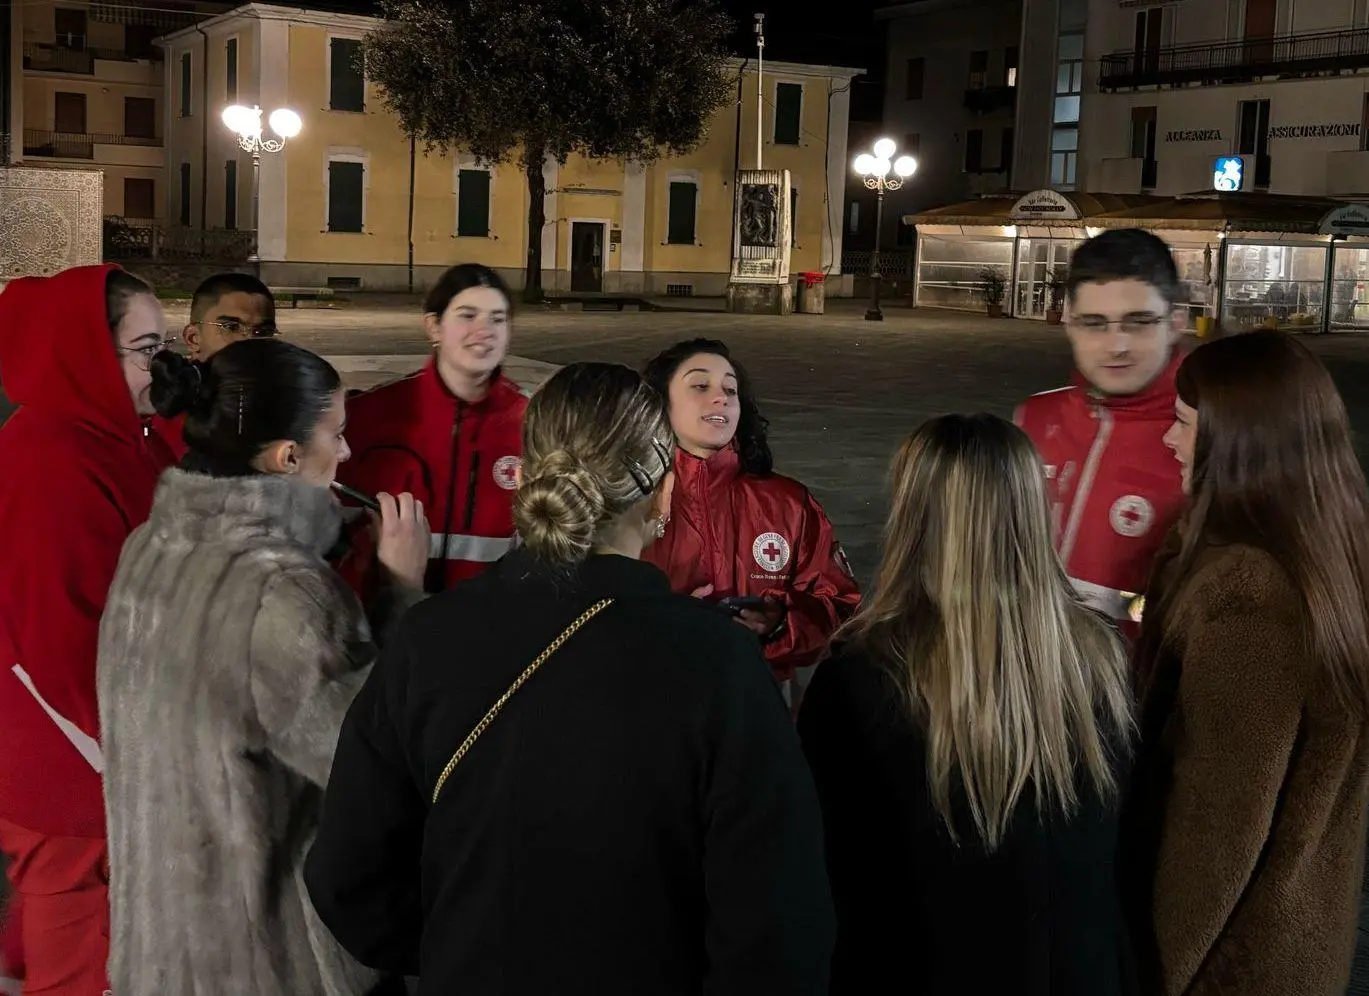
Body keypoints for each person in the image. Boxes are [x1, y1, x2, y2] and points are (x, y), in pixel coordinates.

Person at [305, 362, 835, 994]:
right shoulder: (718, 660)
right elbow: (779, 918)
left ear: (526, 478)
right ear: (665, 492)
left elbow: (346, 874)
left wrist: (463, 942)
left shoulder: (427, 639)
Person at [97, 340, 430, 995]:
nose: (347, 454)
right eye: (336, 434)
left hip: (161, 952)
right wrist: (401, 592)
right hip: (267, 964)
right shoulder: (285, 593)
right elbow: (377, 765)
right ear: (287, 457)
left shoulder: (150, 546)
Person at [798, 413, 1132, 995]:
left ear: (913, 515)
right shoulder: (1100, 659)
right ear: (1031, 512)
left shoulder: (860, 677)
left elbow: (825, 866)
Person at [1122, 331, 1369, 996]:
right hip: (1294, 941)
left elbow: (1217, 821)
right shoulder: (1332, 554)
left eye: (1181, 424)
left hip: (1226, 964)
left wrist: (1150, 972)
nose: (1169, 442)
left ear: (1239, 443)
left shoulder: (1247, 593)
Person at [0, 264, 176, 996]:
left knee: (61, 930)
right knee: (81, 955)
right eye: (146, 351)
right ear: (86, 353)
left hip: (97, 755)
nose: (160, 372)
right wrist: (139, 763)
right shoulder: (50, 457)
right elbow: (62, 646)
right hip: (75, 769)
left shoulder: (119, 437)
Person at [641, 338, 859, 706]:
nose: (720, 397)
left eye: (731, 389)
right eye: (700, 385)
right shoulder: (632, 500)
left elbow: (841, 608)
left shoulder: (789, 504)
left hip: (759, 704)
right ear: (661, 403)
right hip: (652, 703)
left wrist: (779, 624)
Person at [1014, 229, 1186, 637]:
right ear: (1068, 324)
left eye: (1139, 322)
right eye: (1094, 324)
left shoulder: (1212, 435)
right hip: (1024, 681)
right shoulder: (1033, 419)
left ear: (1176, 323)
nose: (1116, 345)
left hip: (1144, 689)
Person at [337, 263, 526, 598]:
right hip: (380, 627)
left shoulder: (533, 424)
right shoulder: (367, 415)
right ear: (433, 326)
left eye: (498, 319)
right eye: (468, 316)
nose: (485, 330)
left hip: (490, 631)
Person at [152, 271, 278, 460]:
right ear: (193, 338)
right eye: (231, 327)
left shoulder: (285, 412)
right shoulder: (157, 421)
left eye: (263, 331)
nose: (249, 340)